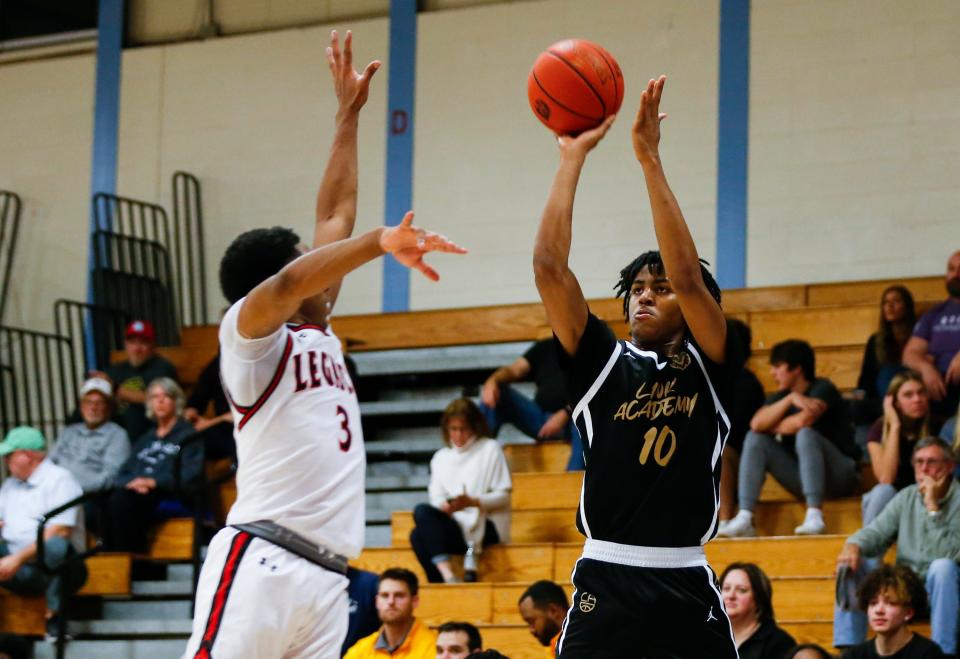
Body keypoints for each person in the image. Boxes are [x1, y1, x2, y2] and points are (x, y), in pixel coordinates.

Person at [182, 31, 464, 659]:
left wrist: (348, 116)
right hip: (263, 559)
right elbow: (292, 278)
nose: (320, 264)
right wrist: (378, 242)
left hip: (327, 576)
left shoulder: (319, 331)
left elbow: (334, 214)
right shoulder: (248, 337)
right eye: (309, 261)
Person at [533, 75, 740, 657]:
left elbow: (691, 278)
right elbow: (549, 269)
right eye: (637, 288)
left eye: (661, 288)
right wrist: (571, 157)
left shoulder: (712, 363)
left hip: (685, 579)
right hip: (607, 577)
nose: (645, 296)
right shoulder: (602, 363)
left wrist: (649, 159)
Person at [722, 338, 860, 537]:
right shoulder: (782, 396)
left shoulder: (822, 388)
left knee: (805, 435)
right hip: (805, 478)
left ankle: (814, 514)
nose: (772, 372)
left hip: (840, 475)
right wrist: (790, 399)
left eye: (778, 366)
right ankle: (745, 517)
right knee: (755, 439)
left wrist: (773, 426)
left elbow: (802, 422)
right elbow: (756, 424)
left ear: (797, 369)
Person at [834, 437, 960, 654]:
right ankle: (848, 650)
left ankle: (943, 653)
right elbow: (876, 532)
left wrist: (932, 507)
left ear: (949, 467)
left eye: (932, 462)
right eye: (919, 462)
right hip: (905, 590)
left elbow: (949, 553)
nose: (924, 468)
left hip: (944, 590)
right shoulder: (907, 497)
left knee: (943, 567)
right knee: (851, 562)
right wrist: (853, 545)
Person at [410, 398, 511, 583]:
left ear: (474, 427)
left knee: (420, 531)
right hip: (454, 523)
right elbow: (436, 499)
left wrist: (473, 502)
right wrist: (447, 507)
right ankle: (446, 578)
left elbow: (503, 496)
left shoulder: (490, 448)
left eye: (463, 429)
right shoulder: (440, 458)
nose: (458, 435)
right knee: (419, 525)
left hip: (484, 524)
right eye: (453, 429)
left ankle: (444, 580)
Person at [0, 427, 87, 636]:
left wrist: (17, 559)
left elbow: (60, 531)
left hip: (56, 565)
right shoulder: (9, 485)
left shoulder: (59, 479)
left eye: (9, 455)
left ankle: (55, 615)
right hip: (15, 566)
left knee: (56, 548)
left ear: (27, 455)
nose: (5, 461)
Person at [101, 377, 201, 552]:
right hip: (139, 491)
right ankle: (115, 562)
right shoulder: (146, 438)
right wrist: (135, 482)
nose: (160, 401)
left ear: (176, 401)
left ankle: (136, 563)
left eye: (166, 396)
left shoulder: (189, 435)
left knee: (122, 502)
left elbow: (190, 474)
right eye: (155, 397)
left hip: (170, 493)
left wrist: (153, 482)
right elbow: (124, 471)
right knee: (103, 503)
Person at [479, 337, 584, 470]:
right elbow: (514, 370)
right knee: (497, 392)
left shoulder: (591, 347)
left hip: (575, 419)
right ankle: (477, 464)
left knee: (584, 417)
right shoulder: (545, 346)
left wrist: (567, 412)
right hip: (540, 421)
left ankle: (573, 481)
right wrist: (492, 381)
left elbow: (598, 387)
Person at [48, 377, 130, 533]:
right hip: (56, 494)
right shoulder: (69, 432)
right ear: (81, 406)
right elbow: (49, 465)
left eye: (99, 403)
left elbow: (110, 477)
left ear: (109, 407)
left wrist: (73, 490)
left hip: (88, 497)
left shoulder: (117, 435)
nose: (93, 407)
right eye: (88, 402)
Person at [862, 372, 936, 525]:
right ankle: (866, 547)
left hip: (926, 497)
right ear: (895, 402)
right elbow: (886, 478)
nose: (917, 399)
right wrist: (895, 426)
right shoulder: (879, 429)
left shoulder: (938, 426)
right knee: (881, 491)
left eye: (921, 392)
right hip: (892, 502)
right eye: (908, 395)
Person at [94, 319, 179, 441]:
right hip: (114, 427)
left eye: (143, 343)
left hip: (146, 429)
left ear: (153, 346)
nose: (137, 348)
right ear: (126, 345)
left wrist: (114, 388)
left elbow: (155, 399)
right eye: (132, 342)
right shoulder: (117, 369)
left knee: (135, 411)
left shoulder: (162, 368)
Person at [718, 319, 766, 532]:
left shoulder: (748, 383)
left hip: (739, 455)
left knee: (720, 449)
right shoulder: (706, 378)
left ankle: (725, 520)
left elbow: (734, 429)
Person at [841, 565, 944, 659]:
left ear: (908, 613)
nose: (879, 610)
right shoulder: (854, 655)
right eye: (873, 603)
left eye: (890, 603)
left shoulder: (929, 653)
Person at [903, 251, 960, 418]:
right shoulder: (934, 314)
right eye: (951, 269)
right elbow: (910, 353)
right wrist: (925, 368)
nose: (956, 274)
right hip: (939, 385)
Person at [343, 568, 436, 659]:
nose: (391, 601)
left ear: (414, 601)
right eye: (385, 595)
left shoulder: (435, 646)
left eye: (399, 595)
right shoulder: (361, 649)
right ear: (376, 602)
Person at [857, 286, 917, 410]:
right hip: (882, 398)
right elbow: (866, 377)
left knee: (888, 372)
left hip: (913, 392)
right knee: (855, 407)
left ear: (907, 306)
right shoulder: (875, 340)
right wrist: (859, 394)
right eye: (886, 302)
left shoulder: (919, 336)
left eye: (896, 301)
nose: (890, 306)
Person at [720, 562, 795, 658]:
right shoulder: (710, 637)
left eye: (741, 590)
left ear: (759, 598)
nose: (731, 596)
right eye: (726, 588)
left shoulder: (779, 644)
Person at [183, 352, 235, 461]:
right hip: (222, 429)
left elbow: (246, 413)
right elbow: (199, 396)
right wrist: (191, 411)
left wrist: (210, 423)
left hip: (248, 430)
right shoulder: (218, 363)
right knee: (188, 443)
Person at [517, 580, 569, 658]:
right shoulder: (556, 647)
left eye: (532, 621)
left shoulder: (581, 645)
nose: (531, 630)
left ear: (553, 611)